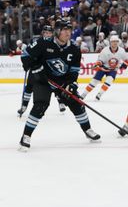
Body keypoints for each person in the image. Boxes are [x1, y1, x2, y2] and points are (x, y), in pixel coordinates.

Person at [18, 18, 100, 150]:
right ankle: (26, 136)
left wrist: (72, 83)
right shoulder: (44, 43)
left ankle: (88, 130)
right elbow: (25, 55)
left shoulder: (74, 49)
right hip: (43, 80)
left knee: (77, 104)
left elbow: (74, 70)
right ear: (57, 31)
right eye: (65, 30)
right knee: (40, 106)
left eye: (69, 30)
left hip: (61, 81)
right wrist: (35, 68)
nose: (68, 33)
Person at [17, 25, 52, 117]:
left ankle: (61, 103)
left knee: (53, 87)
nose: (47, 35)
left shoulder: (54, 43)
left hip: (48, 70)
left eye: (49, 33)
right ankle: (24, 106)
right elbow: (26, 54)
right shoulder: (37, 42)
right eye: (46, 33)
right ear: (43, 33)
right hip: (35, 68)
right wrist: (26, 64)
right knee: (29, 87)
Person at [80, 35, 128, 101]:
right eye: (113, 41)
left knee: (109, 80)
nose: (115, 43)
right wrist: (98, 64)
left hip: (113, 69)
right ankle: (84, 94)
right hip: (103, 68)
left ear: (118, 42)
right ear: (110, 42)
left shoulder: (121, 51)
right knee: (94, 81)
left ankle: (99, 94)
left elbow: (127, 60)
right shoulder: (105, 50)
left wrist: (124, 65)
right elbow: (100, 60)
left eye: (116, 41)